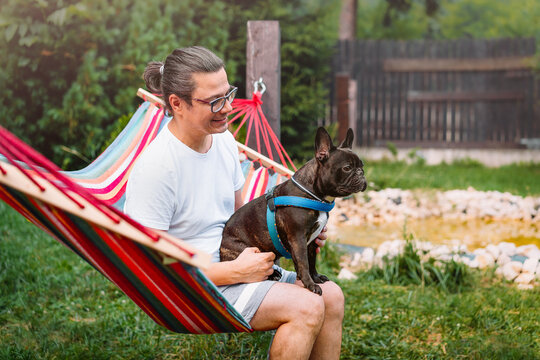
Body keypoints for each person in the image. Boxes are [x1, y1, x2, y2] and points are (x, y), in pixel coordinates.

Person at [124, 46, 344, 360]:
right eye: (215, 101)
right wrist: (233, 273)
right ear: (177, 104)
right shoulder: (156, 169)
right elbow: (148, 269)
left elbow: (241, 221)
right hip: (196, 288)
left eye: (229, 94)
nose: (228, 107)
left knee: (332, 296)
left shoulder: (224, 141)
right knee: (306, 306)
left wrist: (293, 231)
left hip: (237, 264)